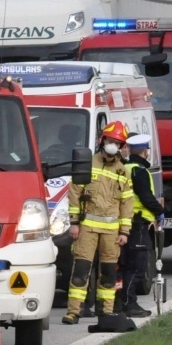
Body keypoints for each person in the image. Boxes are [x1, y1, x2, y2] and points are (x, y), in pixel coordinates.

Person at [63, 121, 135, 324]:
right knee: (80, 271)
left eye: (117, 143)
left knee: (109, 275)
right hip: (87, 228)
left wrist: (125, 232)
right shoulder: (87, 163)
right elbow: (75, 194)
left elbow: (127, 204)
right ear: (102, 140)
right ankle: (73, 312)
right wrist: (74, 223)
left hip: (112, 233)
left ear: (121, 147)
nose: (113, 145)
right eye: (111, 141)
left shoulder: (123, 172)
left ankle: (105, 313)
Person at [117, 132, 162, 317]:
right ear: (145, 151)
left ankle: (121, 303)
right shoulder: (139, 171)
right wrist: (159, 211)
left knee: (125, 265)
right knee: (138, 266)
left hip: (124, 223)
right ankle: (129, 304)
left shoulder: (124, 167)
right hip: (138, 222)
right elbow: (145, 196)